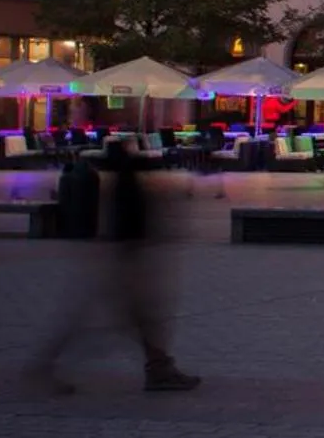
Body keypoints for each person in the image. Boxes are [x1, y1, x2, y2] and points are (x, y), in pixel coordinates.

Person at [29, 140, 199, 394]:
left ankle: (159, 368)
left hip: (122, 262)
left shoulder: (120, 184)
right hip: (125, 265)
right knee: (104, 324)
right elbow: (133, 227)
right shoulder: (128, 185)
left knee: (139, 321)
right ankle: (44, 368)